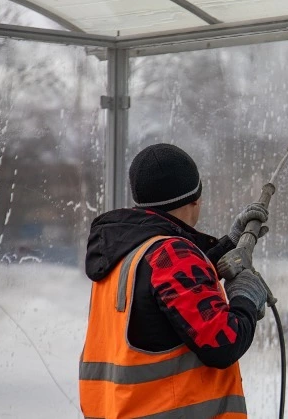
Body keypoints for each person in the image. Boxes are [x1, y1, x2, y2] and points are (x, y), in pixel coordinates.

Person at [79, 143, 269, 419]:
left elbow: (170, 296)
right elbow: (224, 343)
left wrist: (230, 242)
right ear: (195, 199)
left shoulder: (125, 252)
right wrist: (246, 299)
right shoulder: (170, 255)